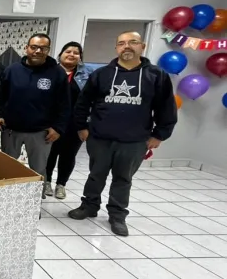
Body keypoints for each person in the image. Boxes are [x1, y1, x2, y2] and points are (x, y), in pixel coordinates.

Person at [69, 31, 178, 237]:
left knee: (123, 179)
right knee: (95, 175)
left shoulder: (156, 75)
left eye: (132, 42)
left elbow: (166, 108)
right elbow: (83, 103)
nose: (127, 46)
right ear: (117, 48)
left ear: (142, 46)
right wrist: (81, 127)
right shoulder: (101, 74)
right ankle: (89, 206)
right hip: (100, 137)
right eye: (121, 43)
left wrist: (160, 134)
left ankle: (117, 215)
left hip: (135, 140)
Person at [0, 33, 70, 192]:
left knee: (38, 170)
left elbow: (65, 105)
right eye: (34, 47)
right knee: (6, 167)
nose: (37, 51)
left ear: (48, 50)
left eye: (42, 48)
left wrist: (58, 127)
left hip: (41, 133)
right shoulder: (12, 70)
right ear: (26, 48)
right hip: (11, 130)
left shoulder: (57, 73)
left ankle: (35, 204)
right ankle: (5, 199)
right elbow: (0, 96)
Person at [44, 42, 90, 200]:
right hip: (52, 123)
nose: (71, 54)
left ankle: (61, 185)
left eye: (76, 53)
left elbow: (91, 101)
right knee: (49, 154)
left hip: (75, 125)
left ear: (80, 57)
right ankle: (46, 182)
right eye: (68, 51)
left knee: (68, 156)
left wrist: (85, 125)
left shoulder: (86, 75)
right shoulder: (50, 72)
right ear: (60, 54)